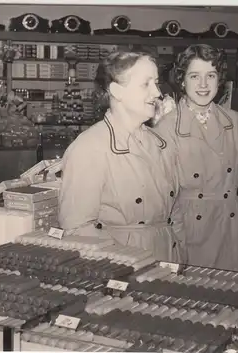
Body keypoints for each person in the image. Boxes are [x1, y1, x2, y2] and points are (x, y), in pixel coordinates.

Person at [58, 51, 181, 262]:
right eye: (146, 84)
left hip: (169, 257)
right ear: (117, 91)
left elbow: (174, 213)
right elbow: (77, 228)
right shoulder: (89, 148)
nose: (157, 93)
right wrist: (126, 262)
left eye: (157, 83)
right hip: (122, 267)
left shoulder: (160, 143)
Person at [155, 44, 238, 273]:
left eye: (211, 75)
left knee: (236, 299)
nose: (204, 85)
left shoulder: (235, 121)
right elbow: (161, 192)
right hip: (190, 229)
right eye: (195, 76)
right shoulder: (167, 127)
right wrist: (176, 230)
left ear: (220, 80)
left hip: (230, 225)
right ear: (182, 80)